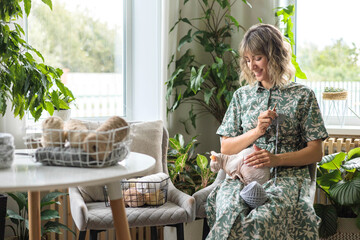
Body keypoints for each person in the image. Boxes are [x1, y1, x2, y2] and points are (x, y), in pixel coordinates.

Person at [205, 23, 328, 240]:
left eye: (258, 57)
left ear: (275, 54)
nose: (251, 65)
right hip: (241, 177)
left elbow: (316, 152)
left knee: (263, 219)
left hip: (287, 177)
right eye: (247, 60)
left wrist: (276, 159)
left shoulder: (303, 95)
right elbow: (226, 146)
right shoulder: (242, 96)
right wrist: (257, 131)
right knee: (229, 212)